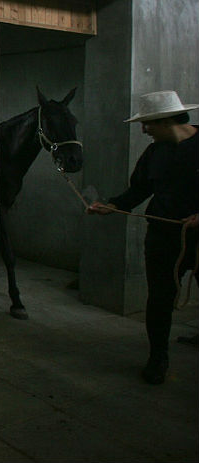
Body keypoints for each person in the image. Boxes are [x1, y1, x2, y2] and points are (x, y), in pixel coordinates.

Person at [87, 90, 199, 385]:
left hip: (198, 238)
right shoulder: (155, 152)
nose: (144, 130)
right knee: (160, 299)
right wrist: (112, 206)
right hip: (163, 237)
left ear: (166, 121)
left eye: (147, 123)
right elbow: (138, 190)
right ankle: (158, 358)